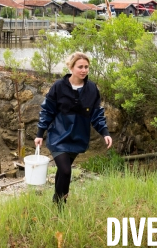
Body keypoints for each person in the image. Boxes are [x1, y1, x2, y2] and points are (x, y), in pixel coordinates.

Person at [34, 52, 112, 206]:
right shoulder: (58, 86)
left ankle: (57, 203)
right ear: (71, 67)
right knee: (66, 170)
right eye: (80, 67)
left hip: (78, 137)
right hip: (58, 135)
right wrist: (40, 134)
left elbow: (96, 114)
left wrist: (105, 133)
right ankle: (61, 205)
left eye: (86, 67)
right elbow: (47, 111)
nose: (84, 70)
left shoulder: (92, 89)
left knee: (63, 172)